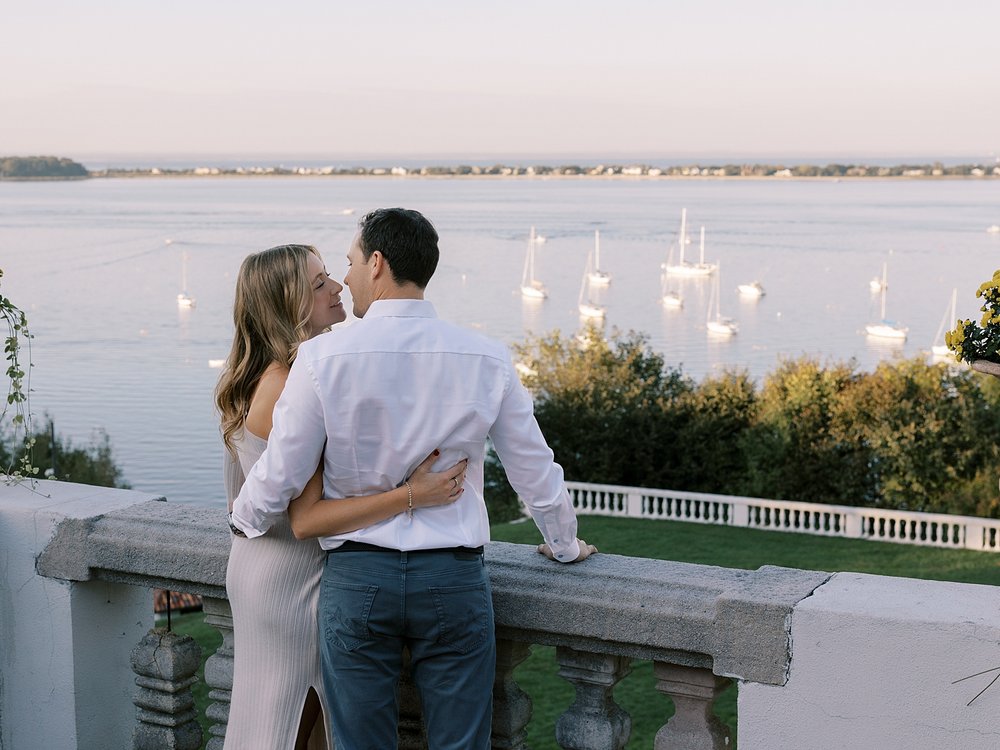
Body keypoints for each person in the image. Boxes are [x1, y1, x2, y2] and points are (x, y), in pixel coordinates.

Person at [231, 210, 597, 750]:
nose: (347, 278)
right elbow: (534, 470)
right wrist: (563, 545)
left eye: (352, 263)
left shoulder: (319, 358)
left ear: (378, 263)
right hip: (452, 580)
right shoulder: (486, 358)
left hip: (356, 583)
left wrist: (245, 519)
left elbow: (280, 471)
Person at [217, 243, 467, 750]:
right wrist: (410, 494)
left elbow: (241, 498)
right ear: (287, 307)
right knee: (295, 727)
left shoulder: (260, 378)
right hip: (295, 580)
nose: (336, 287)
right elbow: (309, 519)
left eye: (331, 275)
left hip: (261, 566)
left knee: (281, 724)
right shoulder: (287, 387)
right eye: (317, 285)